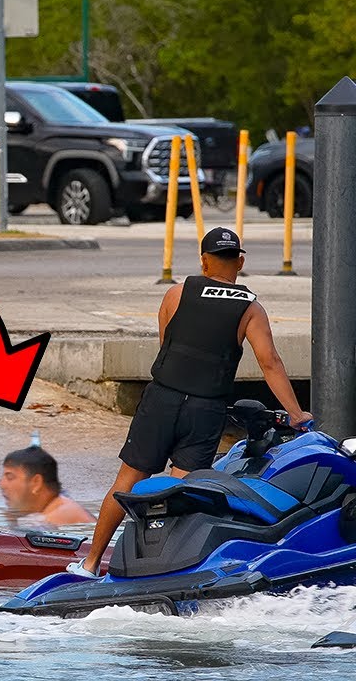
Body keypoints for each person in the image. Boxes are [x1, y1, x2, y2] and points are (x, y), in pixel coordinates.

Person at [66, 226, 313, 578]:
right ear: (239, 262)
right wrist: (295, 413)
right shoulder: (250, 308)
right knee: (176, 492)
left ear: (203, 261)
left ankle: (89, 565)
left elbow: (167, 344)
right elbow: (269, 362)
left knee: (126, 482)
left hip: (162, 399)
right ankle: (159, 572)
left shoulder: (176, 294)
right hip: (205, 409)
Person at [0, 445, 96, 528]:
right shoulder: (58, 505)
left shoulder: (59, 515)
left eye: (10, 477)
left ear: (36, 483)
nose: (1, 485)